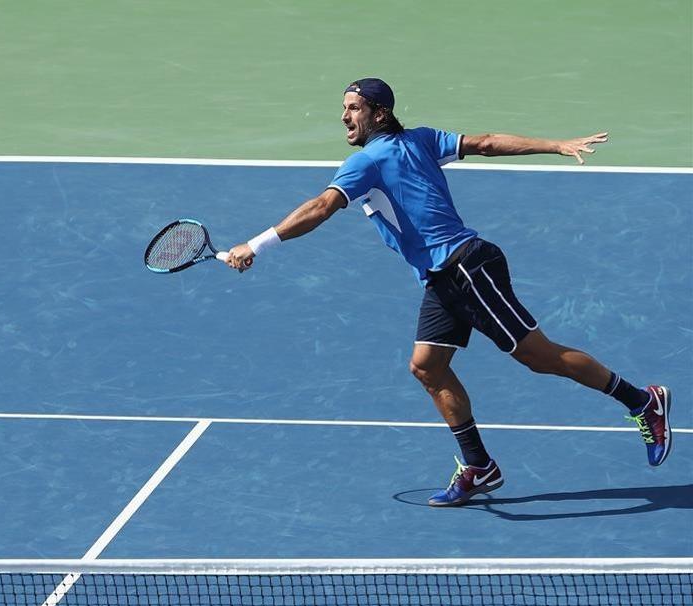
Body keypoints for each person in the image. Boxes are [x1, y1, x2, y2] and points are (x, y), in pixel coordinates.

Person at [223, 78, 672, 507]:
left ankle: (642, 401)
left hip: (466, 267)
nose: (344, 117)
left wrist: (256, 244)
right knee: (427, 367)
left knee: (539, 356)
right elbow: (486, 142)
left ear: (380, 114)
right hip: (442, 278)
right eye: (343, 108)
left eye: (353, 108)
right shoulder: (420, 139)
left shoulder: (368, 160)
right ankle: (480, 466)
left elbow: (322, 207)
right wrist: (553, 144)